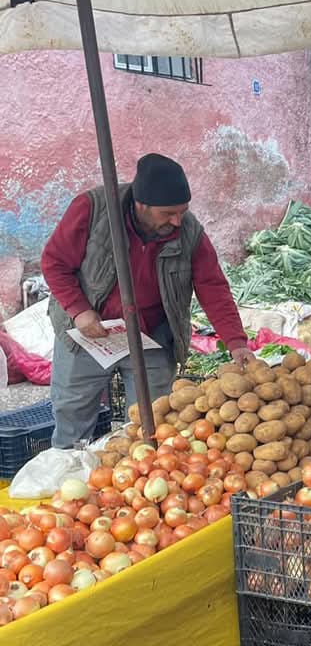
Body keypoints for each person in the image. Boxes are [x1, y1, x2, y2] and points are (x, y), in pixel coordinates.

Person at [42, 153, 253, 447]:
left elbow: (213, 287)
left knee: (152, 424)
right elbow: (54, 262)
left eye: (183, 211)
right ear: (141, 204)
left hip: (150, 336)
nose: (177, 220)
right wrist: (79, 311)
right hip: (89, 334)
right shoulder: (93, 209)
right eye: (168, 213)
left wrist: (236, 342)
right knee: (71, 414)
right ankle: (66, 471)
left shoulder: (189, 232)